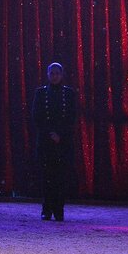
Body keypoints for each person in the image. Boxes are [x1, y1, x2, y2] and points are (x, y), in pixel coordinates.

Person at [31, 62, 77, 221]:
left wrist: (61, 135)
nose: (55, 76)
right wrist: (50, 134)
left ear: (62, 74)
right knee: (47, 178)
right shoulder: (40, 93)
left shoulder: (69, 94)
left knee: (61, 178)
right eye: (52, 73)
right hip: (46, 142)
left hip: (63, 143)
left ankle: (59, 210)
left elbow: (72, 117)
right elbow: (37, 117)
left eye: (57, 73)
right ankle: (46, 209)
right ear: (48, 75)